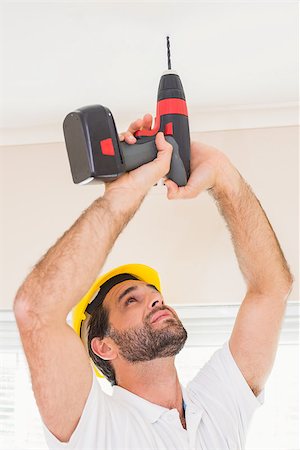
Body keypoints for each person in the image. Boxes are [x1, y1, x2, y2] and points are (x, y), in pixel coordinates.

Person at [14, 114, 293, 450]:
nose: (156, 300)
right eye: (131, 300)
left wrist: (224, 176)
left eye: (154, 295)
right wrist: (125, 191)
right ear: (103, 346)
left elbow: (271, 289)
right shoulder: (95, 428)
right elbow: (36, 310)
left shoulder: (215, 409)